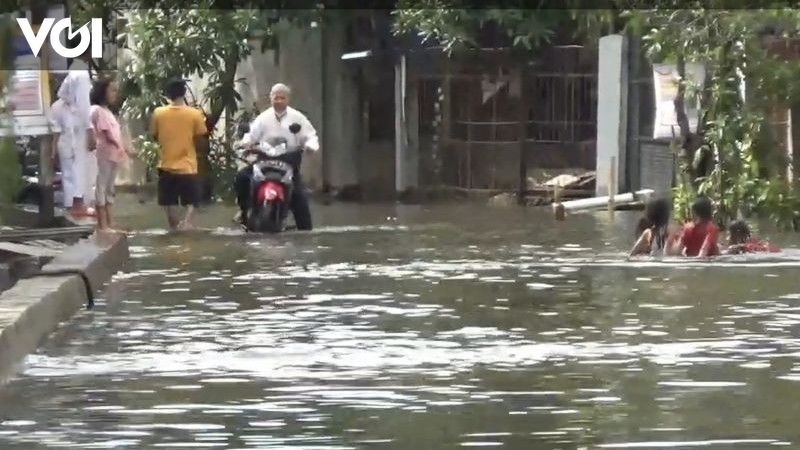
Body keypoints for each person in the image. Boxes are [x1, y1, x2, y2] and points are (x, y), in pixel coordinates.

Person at [234, 83, 319, 230]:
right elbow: (251, 135)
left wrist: (311, 146)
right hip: (264, 160)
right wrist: (246, 143)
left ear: (288, 99)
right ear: (271, 98)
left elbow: (310, 135)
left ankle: (305, 232)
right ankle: (243, 211)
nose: (279, 100)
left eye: (282, 98)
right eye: (276, 97)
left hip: (289, 161)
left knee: (300, 197)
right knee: (241, 178)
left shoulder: (298, 118)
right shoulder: (263, 118)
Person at [150, 78, 208, 230]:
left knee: (168, 202)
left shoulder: (158, 113)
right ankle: (187, 224)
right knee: (193, 201)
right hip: (188, 166)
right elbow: (201, 140)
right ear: (184, 93)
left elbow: (154, 135)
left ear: (167, 94)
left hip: (166, 166)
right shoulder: (195, 114)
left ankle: (175, 227)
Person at [57, 43, 96, 220]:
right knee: (79, 165)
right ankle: (78, 205)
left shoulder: (73, 71)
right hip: (80, 125)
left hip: (72, 124)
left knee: (70, 167)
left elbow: (61, 93)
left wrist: (70, 107)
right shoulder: (81, 74)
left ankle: (73, 205)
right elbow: (84, 104)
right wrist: (90, 129)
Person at [90, 77, 132, 233]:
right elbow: (107, 133)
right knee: (101, 186)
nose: (115, 93)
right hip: (105, 154)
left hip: (114, 155)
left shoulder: (108, 112)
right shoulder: (97, 110)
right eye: (112, 90)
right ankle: (103, 224)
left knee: (109, 187)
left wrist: (123, 148)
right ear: (102, 92)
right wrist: (120, 146)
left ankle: (110, 222)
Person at [49, 93, 76, 212]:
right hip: (65, 142)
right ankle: (70, 205)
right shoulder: (57, 107)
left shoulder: (80, 103)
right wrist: (53, 150)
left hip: (78, 142)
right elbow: (56, 131)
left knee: (74, 174)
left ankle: (79, 204)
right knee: (68, 174)